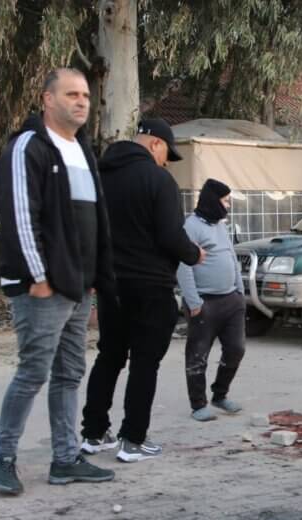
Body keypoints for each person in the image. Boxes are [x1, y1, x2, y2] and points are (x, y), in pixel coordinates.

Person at [0, 68, 117, 495]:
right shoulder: (29, 147)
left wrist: (92, 277)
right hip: (42, 286)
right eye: (71, 94)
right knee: (33, 372)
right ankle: (1, 458)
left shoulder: (82, 149)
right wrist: (38, 277)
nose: (81, 102)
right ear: (47, 100)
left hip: (77, 287)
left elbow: (92, 220)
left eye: (85, 96)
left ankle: (65, 459)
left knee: (69, 373)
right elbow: (21, 216)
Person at [80, 118, 204, 463]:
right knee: (144, 363)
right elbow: (169, 235)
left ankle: (93, 432)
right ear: (155, 145)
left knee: (110, 356)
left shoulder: (100, 176)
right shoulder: (158, 180)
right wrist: (194, 253)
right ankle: (133, 439)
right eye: (167, 154)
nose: (166, 162)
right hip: (150, 285)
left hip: (111, 284)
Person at [176, 179, 246, 422]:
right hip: (204, 302)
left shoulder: (220, 225)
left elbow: (231, 256)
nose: (227, 205)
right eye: (225, 200)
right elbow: (184, 266)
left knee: (236, 349)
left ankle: (220, 395)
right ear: (212, 200)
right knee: (198, 356)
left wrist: (240, 291)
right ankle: (198, 405)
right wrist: (194, 302)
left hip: (231, 300)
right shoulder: (191, 226)